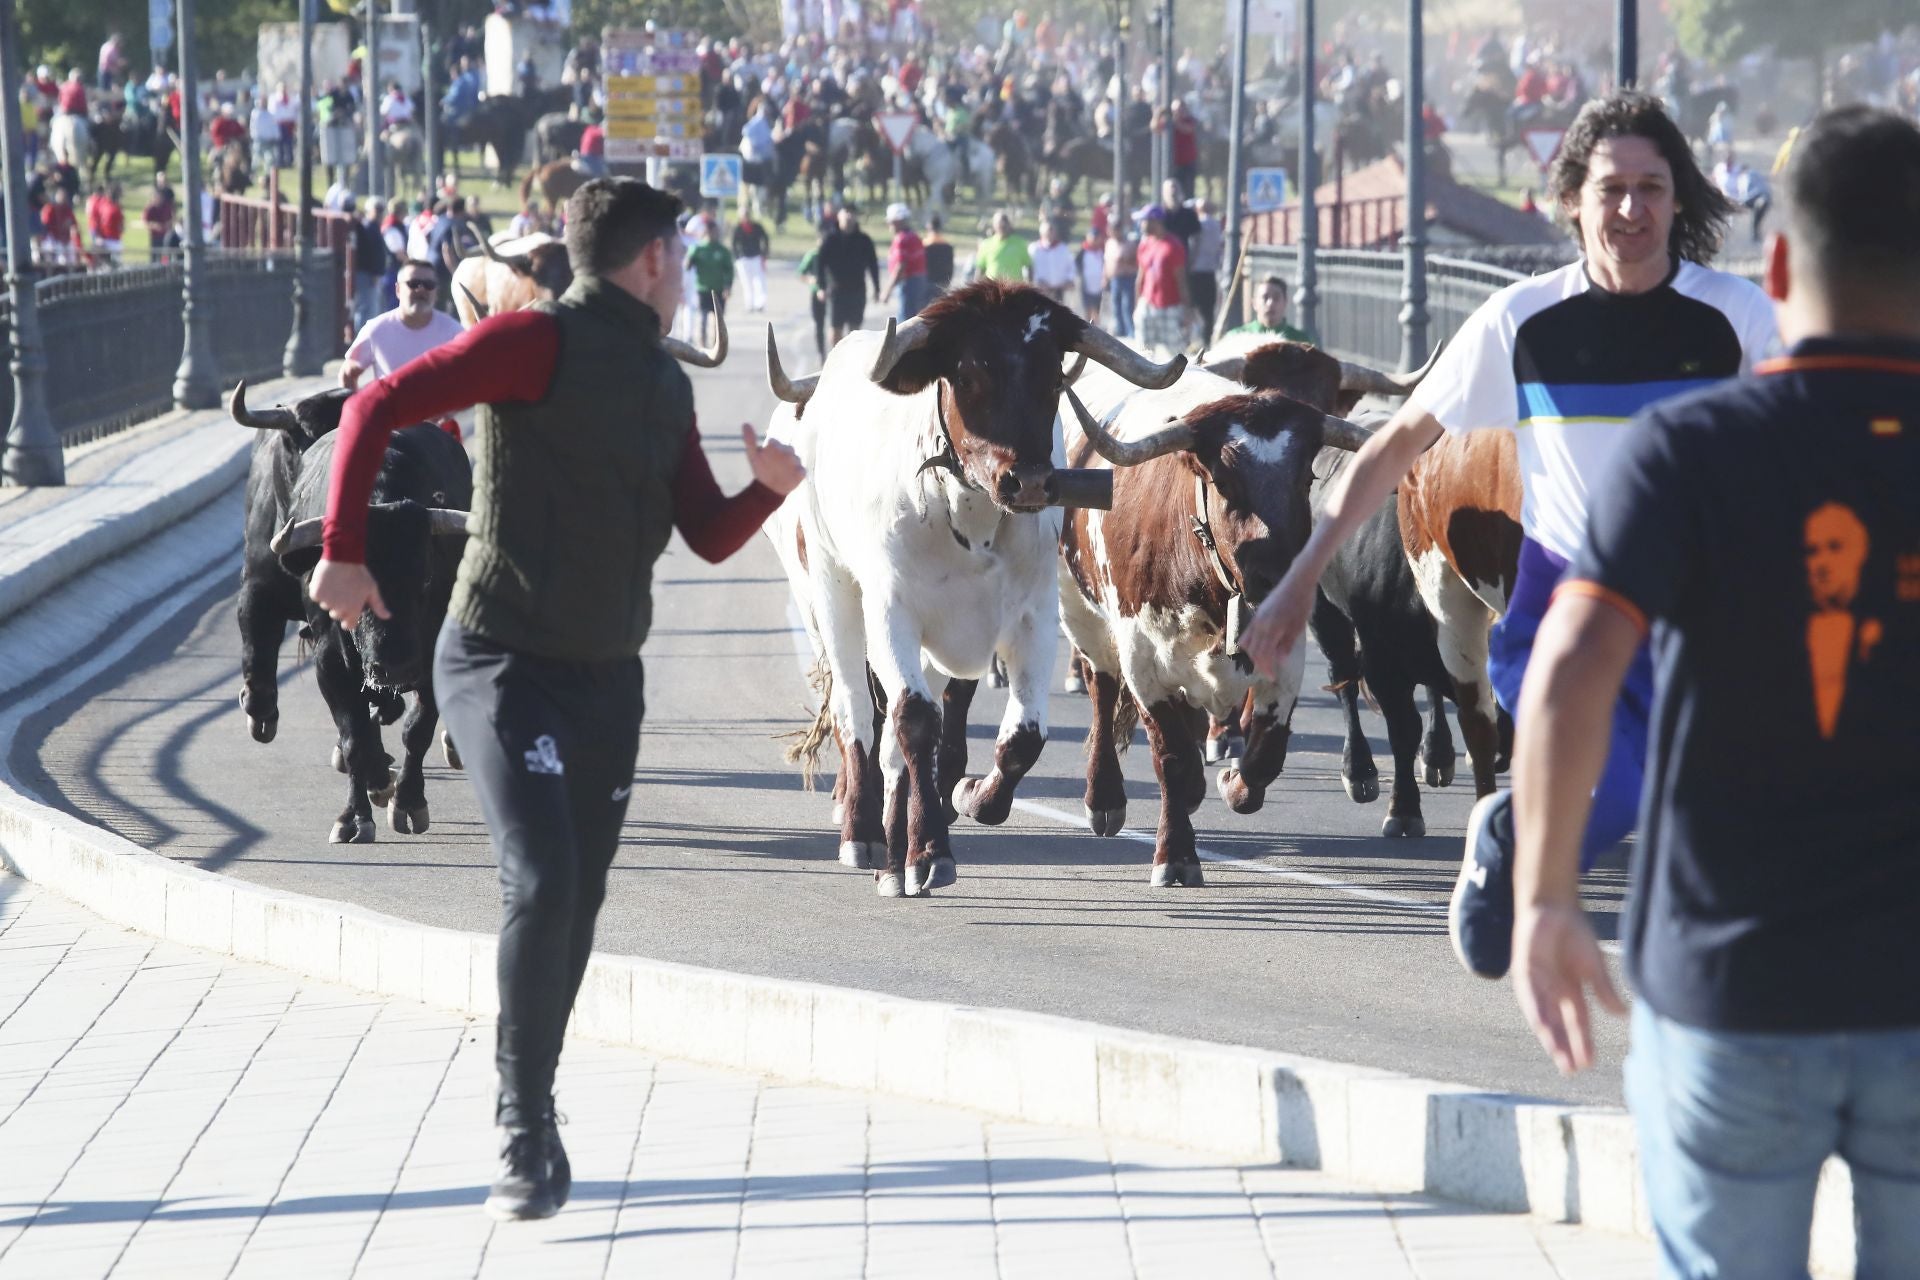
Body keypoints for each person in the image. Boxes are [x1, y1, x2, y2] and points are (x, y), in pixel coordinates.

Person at [307, 178, 805, 1223]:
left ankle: (534, 1087)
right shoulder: (536, 342)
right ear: (657, 258)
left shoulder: (666, 387)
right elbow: (374, 403)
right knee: (540, 879)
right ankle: (522, 1116)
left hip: (607, 683)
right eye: (682, 243)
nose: (686, 258)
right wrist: (343, 551)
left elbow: (707, 531)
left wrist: (768, 484)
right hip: (500, 662)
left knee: (575, 897)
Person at [1507, 106, 1920, 1279]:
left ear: (1779, 266)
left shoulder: (1689, 449)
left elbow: (1570, 669)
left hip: (1735, 987)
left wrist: (1544, 900)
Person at [1239, 92, 1781, 982]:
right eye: (1612, 189)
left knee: (1683, 806)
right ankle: (1525, 834)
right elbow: (1392, 448)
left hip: (1695, 615)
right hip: (1568, 610)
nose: (1633, 210)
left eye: (1653, 188)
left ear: (1680, 198)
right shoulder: (1521, 322)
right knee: (1618, 792)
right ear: (1572, 197)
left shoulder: (1738, 320)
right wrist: (1303, 577)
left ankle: (1520, 836)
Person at [341, 258, 467, 390]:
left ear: (436, 292)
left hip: (440, 411)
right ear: (398, 290)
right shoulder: (376, 330)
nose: (421, 289)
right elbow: (348, 374)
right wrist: (357, 408)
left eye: (429, 284)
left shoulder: (454, 332)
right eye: (413, 283)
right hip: (392, 410)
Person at [1133, 205, 1191, 357]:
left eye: (1144, 221)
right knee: (1143, 355)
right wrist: (1137, 306)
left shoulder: (1173, 245)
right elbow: (1141, 277)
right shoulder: (1144, 244)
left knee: (1176, 355)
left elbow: (1181, 281)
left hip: (1170, 308)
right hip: (1147, 305)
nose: (1141, 224)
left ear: (1155, 221)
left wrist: (1186, 311)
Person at [817, 207, 879, 345]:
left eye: (852, 213)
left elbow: (873, 265)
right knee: (835, 328)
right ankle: (835, 358)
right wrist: (821, 287)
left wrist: (877, 288)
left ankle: (852, 360)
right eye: (846, 212)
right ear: (839, 216)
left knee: (855, 330)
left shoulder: (864, 240)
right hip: (836, 290)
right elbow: (820, 264)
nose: (849, 216)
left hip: (857, 290)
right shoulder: (830, 238)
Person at [684, 217, 735, 345]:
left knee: (717, 319)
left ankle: (716, 343)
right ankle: (702, 342)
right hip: (703, 288)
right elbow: (687, 266)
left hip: (718, 289)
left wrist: (728, 287)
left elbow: (729, 270)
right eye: (713, 231)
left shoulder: (722, 251)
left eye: (717, 232)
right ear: (707, 232)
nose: (715, 234)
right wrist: (689, 259)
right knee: (703, 317)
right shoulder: (699, 249)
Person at [1226, 274, 1314, 341]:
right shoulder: (1237, 337)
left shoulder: (1300, 341)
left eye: (1276, 298)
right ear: (1254, 303)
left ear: (1285, 302)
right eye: (1265, 297)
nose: (1270, 303)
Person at [880, 203, 929, 322]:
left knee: (906, 321)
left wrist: (887, 290)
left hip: (908, 283)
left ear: (897, 222)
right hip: (919, 281)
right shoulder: (914, 236)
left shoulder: (901, 239)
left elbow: (900, 266)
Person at [429, 197, 478, 310]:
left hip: (432, 264)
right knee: (448, 304)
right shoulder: (453, 225)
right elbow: (446, 250)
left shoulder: (440, 220)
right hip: (442, 270)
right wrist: (455, 272)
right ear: (462, 211)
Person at [1187, 197, 1224, 336]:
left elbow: (1194, 245)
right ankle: (1206, 337)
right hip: (1210, 270)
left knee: (1194, 306)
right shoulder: (1216, 224)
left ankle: (1195, 336)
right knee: (1208, 307)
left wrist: (1190, 263)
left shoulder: (1199, 224)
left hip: (1196, 270)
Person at [797, 220, 829, 360]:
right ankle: (821, 353)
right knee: (819, 324)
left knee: (835, 326)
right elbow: (800, 273)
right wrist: (810, 280)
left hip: (832, 294)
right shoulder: (813, 255)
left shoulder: (833, 256)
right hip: (817, 294)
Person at [973, 209, 1030, 283]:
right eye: (999, 224)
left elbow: (1029, 265)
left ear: (1009, 224)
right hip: (993, 289)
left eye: (1005, 223)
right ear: (994, 225)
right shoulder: (986, 244)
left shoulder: (1020, 243)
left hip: (1014, 289)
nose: (1002, 226)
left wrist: (1029, 286)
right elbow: (980, 269)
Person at [1028, 217, 1076, 304]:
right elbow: (1030, 267)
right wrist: (1035, 281)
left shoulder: (1063, 248)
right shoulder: (1034, 249)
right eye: (1047, 233)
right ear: (1041, 234)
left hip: (1059, 290)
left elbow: (1071, 266)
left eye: (1051, 232)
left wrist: (1069, 280)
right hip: (1041, 290)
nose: (1049, 235)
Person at [730, 210, 769, 311]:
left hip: (756, 256)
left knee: (759, 281)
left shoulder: (756, 227)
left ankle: (760, 303)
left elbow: (765, 238)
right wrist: (737, 257)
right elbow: (734, 243)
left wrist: (764, 254)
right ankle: (749, 304)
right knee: (746, 282)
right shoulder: (738, 228)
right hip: (743, 258)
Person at [1104, 228, 1138, 338]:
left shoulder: (1130, 244)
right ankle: (1120, 330)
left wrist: (1126, 260)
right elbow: (1106, 261)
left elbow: (1136, 260)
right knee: (1116, 305)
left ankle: (1130, 331)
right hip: (1115, 278)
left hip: (1127, 277)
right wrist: (1104, 277)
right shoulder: (1109, 243)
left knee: (1127, 305)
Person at [86, 182, 125, 264]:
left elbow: (121, 225)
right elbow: (95, 221)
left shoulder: (117, 207)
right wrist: (97, 236)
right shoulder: (101, 204)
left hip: (114, 239)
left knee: (115, 264)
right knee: (101, 264)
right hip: (103, 239)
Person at [144, 173, 178, 260]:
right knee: (154, 253)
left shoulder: (169, 194)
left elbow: (173, 211)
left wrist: (170, 223)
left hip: (165, 231)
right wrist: (155, 225)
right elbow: (146, 221)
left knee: (165, 253)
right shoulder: (151, 207)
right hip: (156, 234)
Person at [1076, 232, 1105, 324]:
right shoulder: (1083, 252)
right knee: (1088, 307)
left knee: (1097, 307)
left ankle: (1097, 325)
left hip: (1099, 284)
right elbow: (1077, 265)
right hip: (1087, 284)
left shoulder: (1101, 252)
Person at [922, 213, 954, 294]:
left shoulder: (924, 245)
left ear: (928, 226)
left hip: (926, 283)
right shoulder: (947, 246)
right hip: (942, 283)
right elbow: (950, 267)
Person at [250, 93, 280, 171]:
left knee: (269, 158)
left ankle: (268, 172)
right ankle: (254, 172)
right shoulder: (256, 113)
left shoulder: (270, 114)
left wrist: (276, 136)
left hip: (269, 140)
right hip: (259, 139)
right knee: (256, 158)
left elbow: (273, 126)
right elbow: (255, 127)